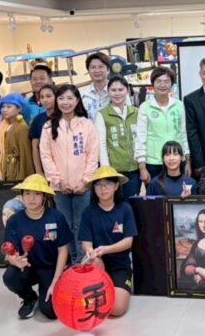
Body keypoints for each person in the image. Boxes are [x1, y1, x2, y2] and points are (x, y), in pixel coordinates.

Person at [40, 84, 99, 264]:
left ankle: (82, 262)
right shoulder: (48, 126)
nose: (65, 102)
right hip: (60, 187)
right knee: (65, 225)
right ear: (56, 101)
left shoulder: (87, 125)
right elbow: (45, 156)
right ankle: (73, 261)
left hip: (82, 187)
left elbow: (92, 155)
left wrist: (85, 181)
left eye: (70, 98)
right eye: (61, 98)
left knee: (81, 225)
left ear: (77, 100)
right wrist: (58, 181)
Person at [2, 174, 70, 320]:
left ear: (44, 196)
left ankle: (49, 290)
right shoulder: (14, 221)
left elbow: (63, 250)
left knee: (51, 312)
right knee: (10, 277)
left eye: (37, 194)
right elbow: (9, 253)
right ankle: (30, 298)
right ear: (21, 196)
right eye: (27, 193)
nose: (31, 198)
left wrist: (55, 282)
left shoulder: (56, 217)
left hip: (51, 268)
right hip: (28, 268)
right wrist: (16, 261)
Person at [80, 166, 138, 317]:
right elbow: (86, 243)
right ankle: (100, 289)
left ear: (116, 186)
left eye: (107, 183)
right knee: (92, 261)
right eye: (98, 184)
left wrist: (106, 249)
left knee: (117, 309)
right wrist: (90, 251)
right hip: (98, 262)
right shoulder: (88, 212)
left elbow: (128, 241)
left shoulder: (125, 209)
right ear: (94, 188)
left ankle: (111, 290)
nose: (103, 188)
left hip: (120, 266)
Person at [135, 66, 190, 182]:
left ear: (171, 84)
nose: (162, 85)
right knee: (156, 193)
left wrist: (188, 160)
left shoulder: (179, 105)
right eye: (159, 81)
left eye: (166, 81)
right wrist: (142, 167)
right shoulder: (145, 107)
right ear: (153, 84)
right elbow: (140, 137)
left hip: (177, 160)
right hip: (154, 162)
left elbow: (183, 133)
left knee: (178, 192)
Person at [96, 75, 141, 198]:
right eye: (113, 90)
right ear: (108, 92)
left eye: (121, 90)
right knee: (115, 203)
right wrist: (106, 171)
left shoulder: (136, 112)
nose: (117, 93)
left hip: (134, 169)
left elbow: (141, 139)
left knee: (132, 203)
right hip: (114, 171)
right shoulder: (102, 114)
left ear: (127, 91)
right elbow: (101, 144)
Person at [0, 93, 34, 182]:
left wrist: (24, 179)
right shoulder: (5, 126)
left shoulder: (21, 127)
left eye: (9, 107)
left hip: (16, 171)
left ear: (19, 109)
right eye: (3, 107)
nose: (4, 110)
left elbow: (25, 155)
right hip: (6, 169)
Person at [29, 84, 56, 176]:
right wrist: (39, 171)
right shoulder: (37, 120)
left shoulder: (64, 117)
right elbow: (35, 147)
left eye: (48, 96)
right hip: (45, 167)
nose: (45, 100)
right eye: (42, 97)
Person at [81, 52, 112, 122]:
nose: (97, 70)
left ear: (108, 70)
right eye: (93, 67)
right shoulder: (84, 96)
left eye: (101, 66)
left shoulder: (119, 91)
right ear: (88, 71)